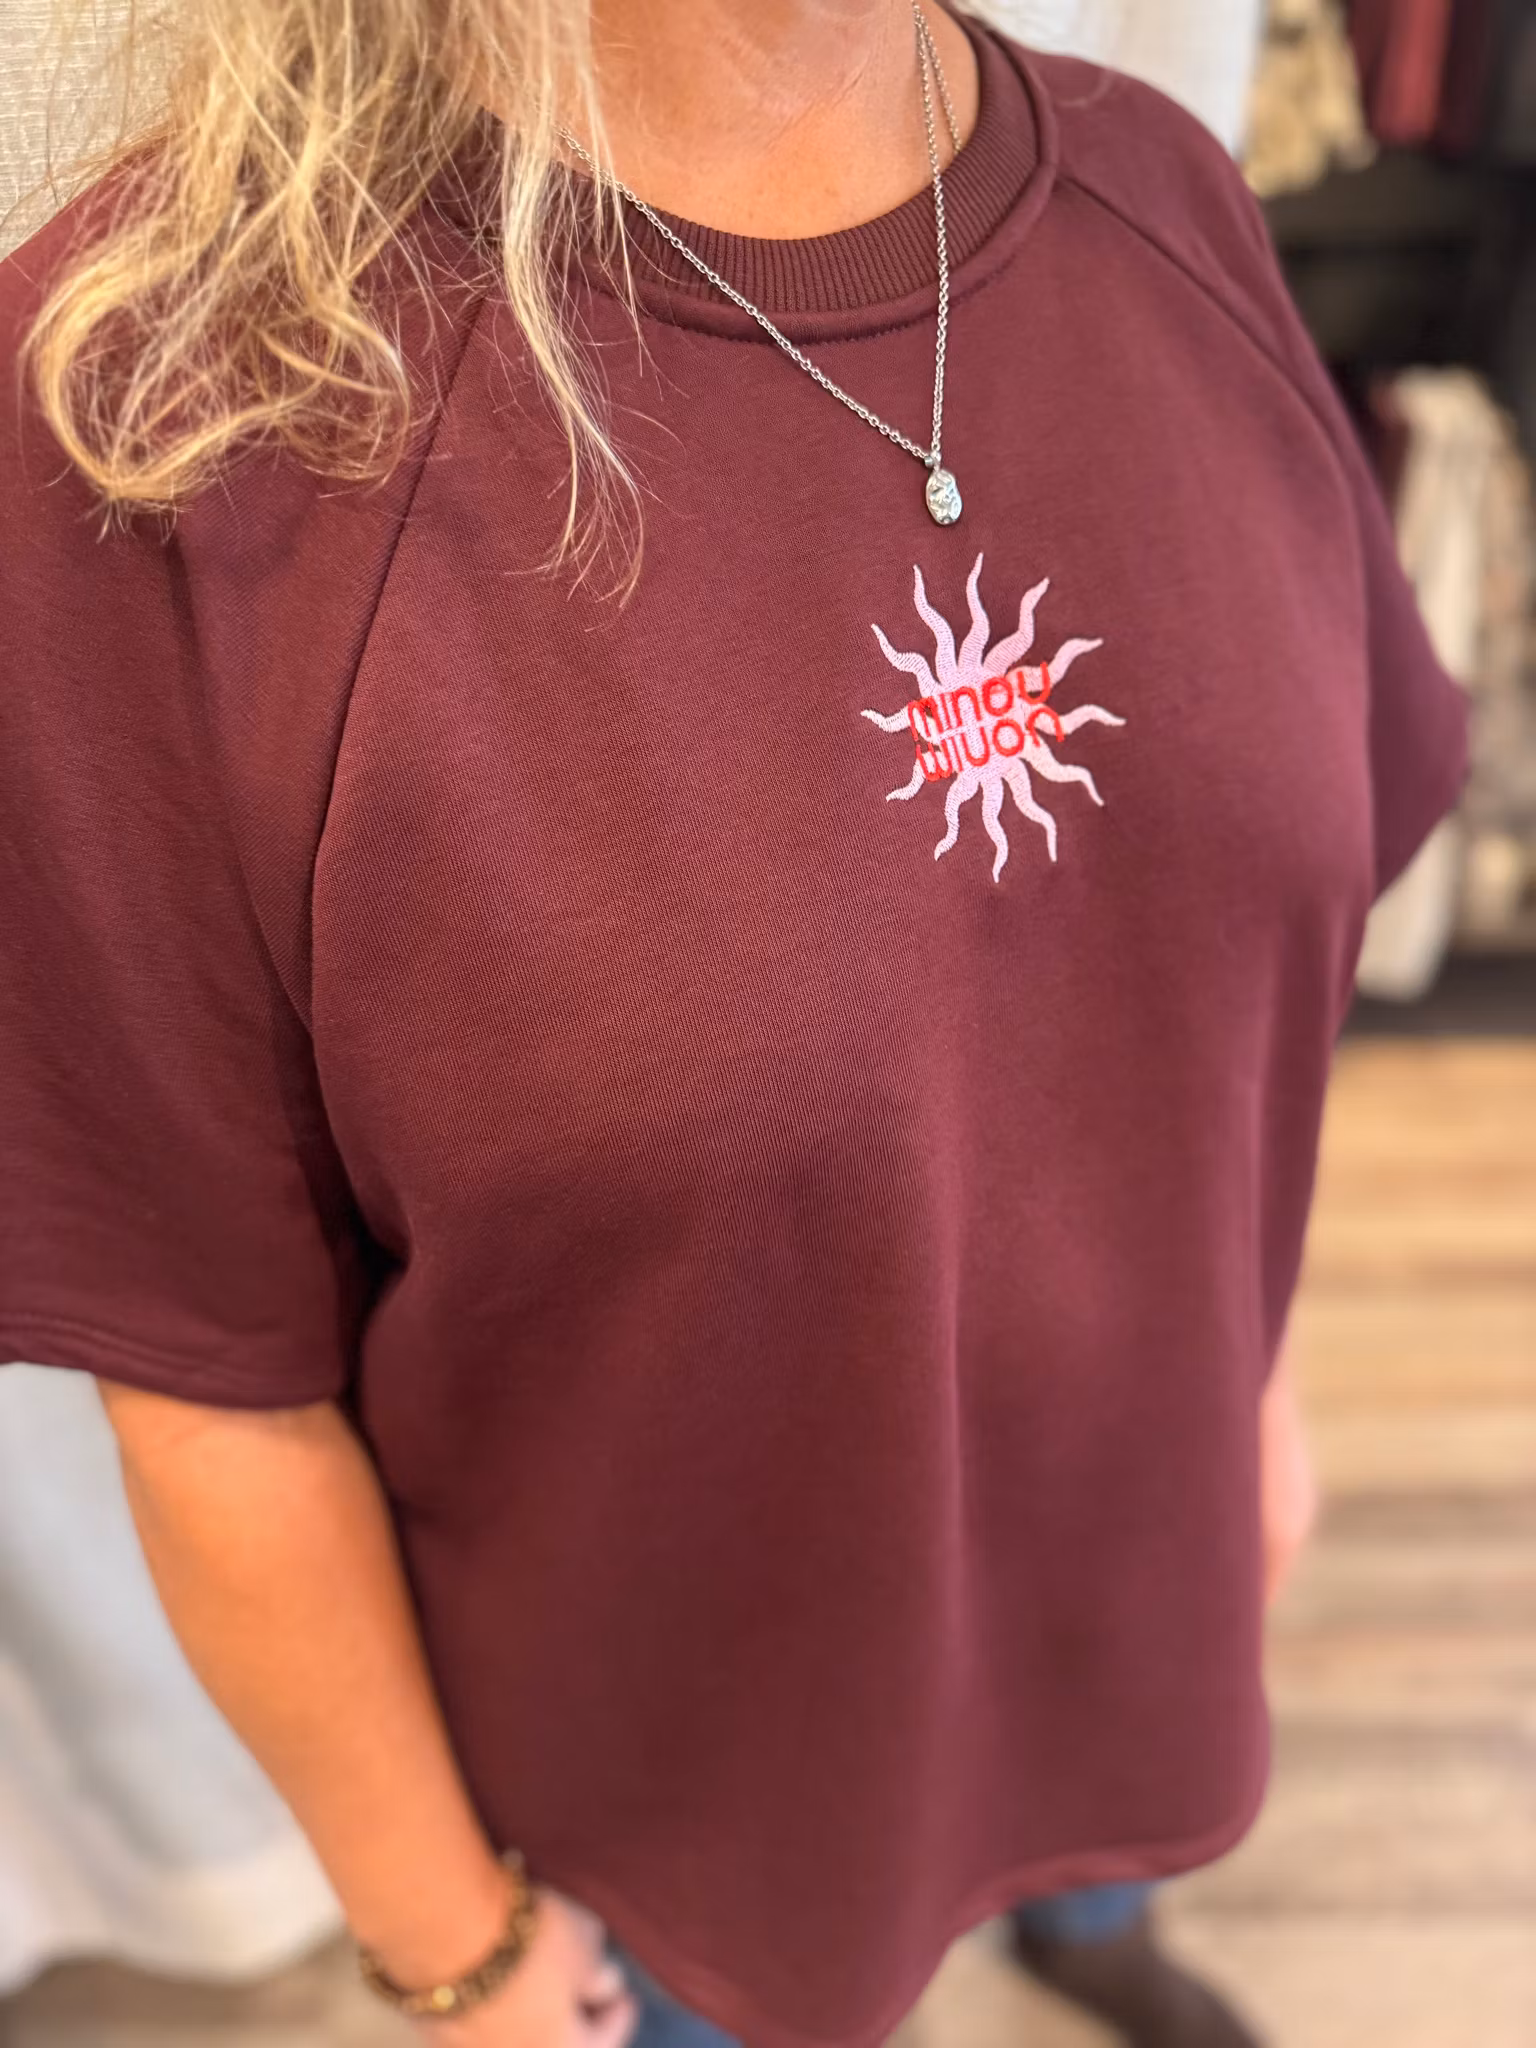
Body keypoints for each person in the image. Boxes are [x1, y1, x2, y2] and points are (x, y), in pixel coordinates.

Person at [0, 1, 1463, 2046]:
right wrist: (459, 1950)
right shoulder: (169, 399)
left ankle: (1088, 1919)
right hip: (680, 1771)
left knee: (1104, 1834)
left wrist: (1257, 1391)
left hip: (1134, 1560)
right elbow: (207, 1369)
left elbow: (1228, 975)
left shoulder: (1166, 201)